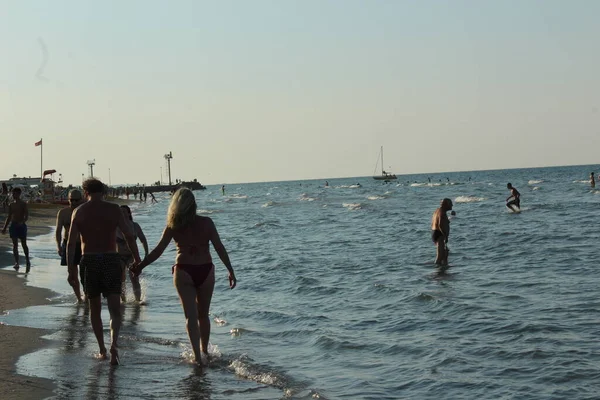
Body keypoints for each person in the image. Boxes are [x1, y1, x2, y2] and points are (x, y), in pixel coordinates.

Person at [131, 188, 237, 365]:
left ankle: (197, 357)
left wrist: (141, 266)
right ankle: (205, 352)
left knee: (191, 316)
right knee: (203, 315)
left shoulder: (173, 225)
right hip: (206, 270)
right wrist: (230, 270)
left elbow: (158, 251)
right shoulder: (207, 223)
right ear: (194, 204)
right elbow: (219, 247)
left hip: (183, 271)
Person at [67, 178, 141, 365]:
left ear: (85, 193)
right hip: (111, 259)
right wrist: (137, 258)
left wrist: (71, 271)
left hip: (89, 260)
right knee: (115, 310)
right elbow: (129, 236)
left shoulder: (79, 211)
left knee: (95, 309)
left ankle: (102, 349)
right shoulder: (114, 210)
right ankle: (113, 344)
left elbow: (70, 244)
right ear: (103, 191)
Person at [56, 189, 85, 302]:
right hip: (68, 244)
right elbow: (58, 231)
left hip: (83, 245)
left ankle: (87, 296)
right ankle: (79, 298)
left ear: (81, 199)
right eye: (71, 200)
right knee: (72, 275)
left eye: (76, 200)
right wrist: (58, 246)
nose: (73, 203)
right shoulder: (63, 213)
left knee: (84, 274)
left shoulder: (85, 212)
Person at [117, 205, 148, 302]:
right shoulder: (115, 227)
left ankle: (138, 301)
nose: (122, 214)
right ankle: (123, 301)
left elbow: (143, 240)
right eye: (120, 212)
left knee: (134, 279)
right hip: (119, 256)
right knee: (121, 280)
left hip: (132, 256)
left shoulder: (135, 226)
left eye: (124, 212)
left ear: (129, 213)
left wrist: (146, 253)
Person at [2, 187, 30, 272]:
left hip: (21, 225)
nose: (13, 195)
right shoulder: (11, 205)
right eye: (12, 193)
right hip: (13, 225)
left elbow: (26, 216)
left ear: (19, 194)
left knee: (24, 244)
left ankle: (27, 260)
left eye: (15, 193)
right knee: (15, 245)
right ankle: (17, 262)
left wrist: (22, 222)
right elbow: (9, 217)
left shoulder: (23, 204)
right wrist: (4, 227)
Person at [431, 198, 452, 267]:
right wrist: (445, 236)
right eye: (450, 204)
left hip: (436, 232)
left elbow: (436, 222)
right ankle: (438, 270)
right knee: (440, 256)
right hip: (439, 234)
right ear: (445, 205)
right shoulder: (442, 212)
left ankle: (443, 269)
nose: (452, 205)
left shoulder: (437, 211)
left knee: (444, 254)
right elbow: (440, 224)